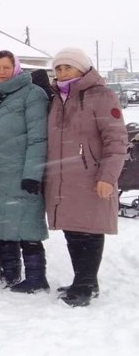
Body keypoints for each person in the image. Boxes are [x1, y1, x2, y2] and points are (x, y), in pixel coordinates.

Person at [44, 47, 128, 307]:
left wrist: (108, 177)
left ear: (82, 68)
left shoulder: (102, 96)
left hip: (91, 176)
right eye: (58, 68)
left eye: (68, 67)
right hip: (62, 177)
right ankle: (86, 282)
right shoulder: (57, 98)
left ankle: (84, 286)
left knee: (90, 230)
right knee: (73, 230)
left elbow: (116, 139)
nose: (62, 72)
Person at [0, 51, 50, 293]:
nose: (0, 72)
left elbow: (39, 138)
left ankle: (37, 278)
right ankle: (10, 273)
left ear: (16, 68)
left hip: (20, 171)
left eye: (6, 67)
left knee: (27, 225)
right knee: (4, 223)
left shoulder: (32, 95)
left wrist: (33, 172)